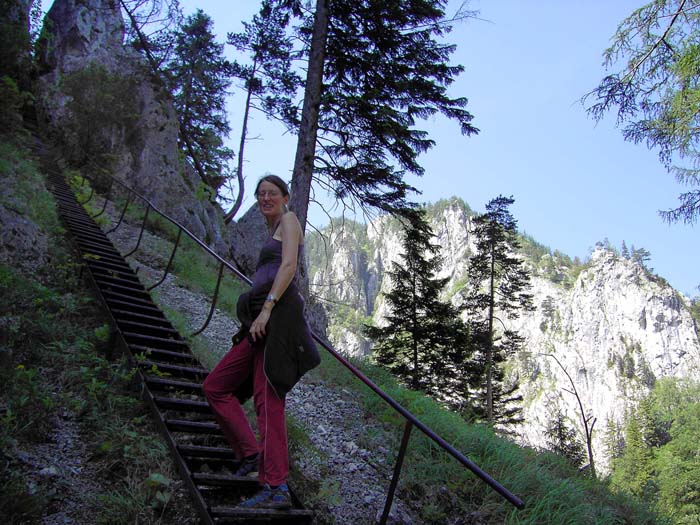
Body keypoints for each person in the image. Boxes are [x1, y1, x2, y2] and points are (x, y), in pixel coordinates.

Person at [202, 175, 320, 510]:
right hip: (258, 326)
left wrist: (266, 310)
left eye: (272, 193)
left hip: (277, 322)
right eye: (261, 194)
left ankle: (276, 487)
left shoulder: (290, 220)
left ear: (285, 197)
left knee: (269, 403)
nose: (265, 198)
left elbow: (289, 265)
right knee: (215, 386)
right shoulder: (274, 230)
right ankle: (252, 454)